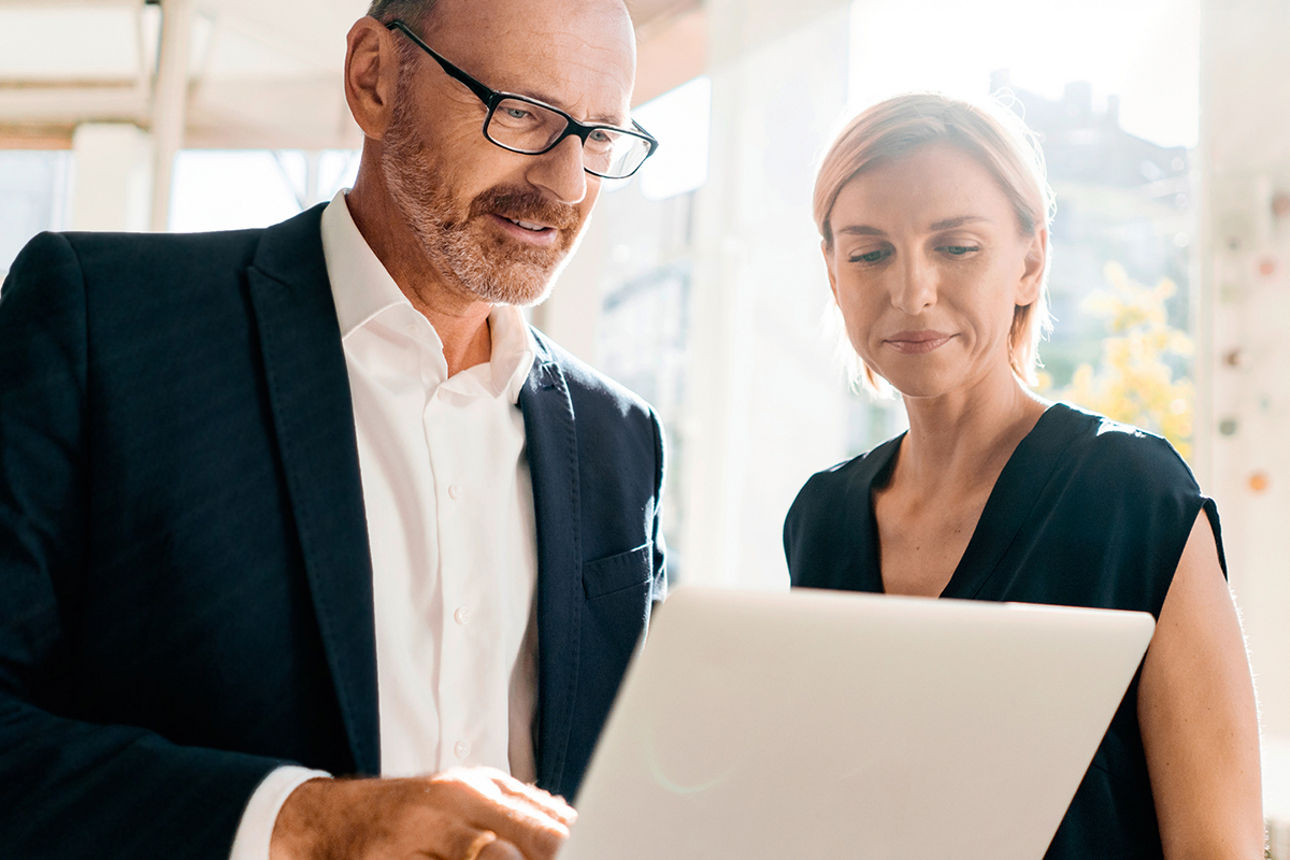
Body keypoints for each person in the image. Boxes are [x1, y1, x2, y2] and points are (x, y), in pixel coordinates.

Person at [0, 0, 666, 858]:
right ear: (374, 77)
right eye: (523, 114)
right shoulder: (104, 324)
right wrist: (305, 824)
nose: (568, 185)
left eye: (601, 137)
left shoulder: (620, 440)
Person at [783, 93, 1264, 858]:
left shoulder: (1131, 492)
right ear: (834, 275)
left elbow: (1219, 848)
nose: (911, 291)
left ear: (1031, 263)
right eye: (869, 252)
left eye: (957, 247)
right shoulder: (819, 519)